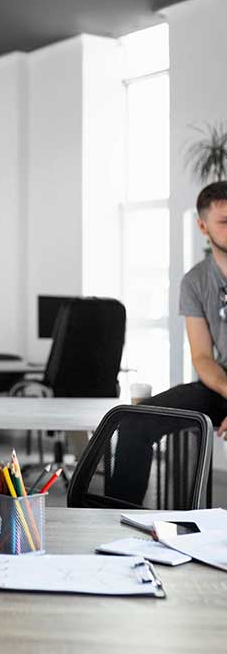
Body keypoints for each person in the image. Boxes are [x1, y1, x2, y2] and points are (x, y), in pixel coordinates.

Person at [112, 181, 227, 503]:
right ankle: (116, 529)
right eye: (225, 222)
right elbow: (203, 356)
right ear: (203, 226)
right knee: (133, 421)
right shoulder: (196, 281)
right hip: (221, 385)